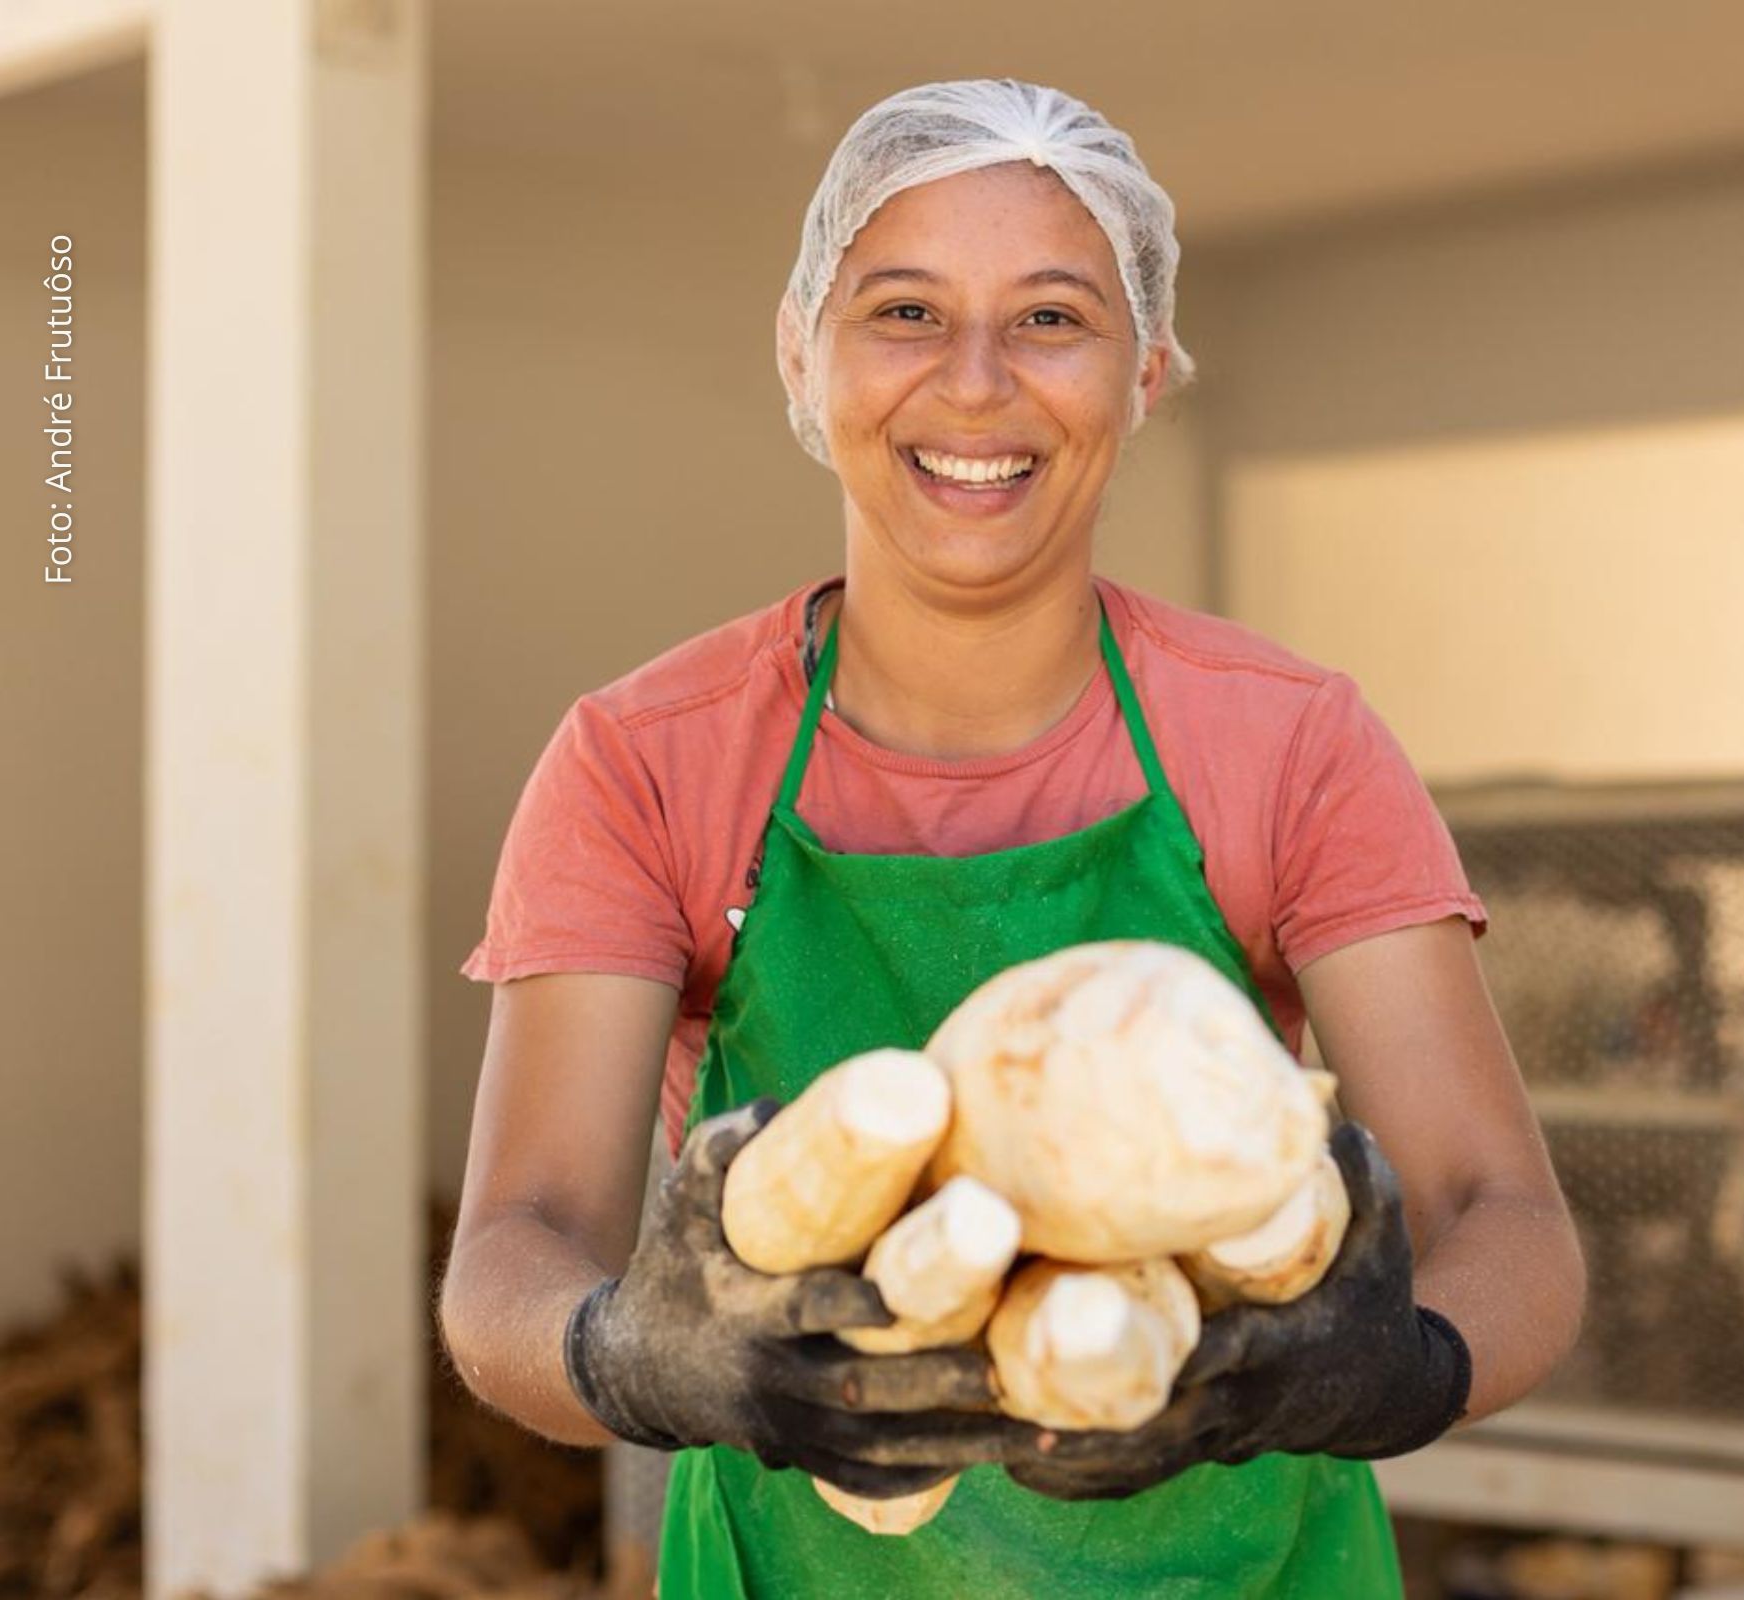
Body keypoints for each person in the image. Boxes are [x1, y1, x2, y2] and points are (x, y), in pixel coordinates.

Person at [439, 76, 1585, 1599]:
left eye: (1052, 318)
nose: (975, 385)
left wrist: (1393, 1367)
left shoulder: (1285, 746)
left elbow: (1501, 1219)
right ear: (803, 348)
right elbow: (517, 1241)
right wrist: (631, 1352)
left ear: (1148, 366)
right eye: (903, 311)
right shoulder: (651, 764)